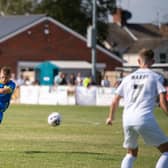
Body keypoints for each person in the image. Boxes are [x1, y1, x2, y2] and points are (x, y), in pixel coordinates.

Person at [106, 48, 168, 168]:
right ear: (153, 61)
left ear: (138, 61)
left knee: (131, 153)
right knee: (166, 150)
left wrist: (110, 118)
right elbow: (162, 101)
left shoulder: (128, 78)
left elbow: (114, 101)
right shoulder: (156, 77)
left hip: (127, 119)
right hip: (144, 117)